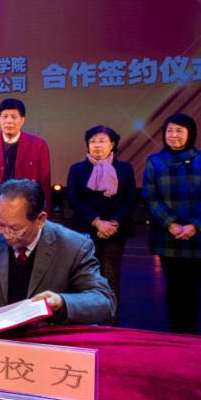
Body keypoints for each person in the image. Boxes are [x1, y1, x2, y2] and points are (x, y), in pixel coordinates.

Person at [0, 179, 115, 325]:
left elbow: (105, 302)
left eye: (15, 228)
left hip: (46, 341)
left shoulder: (74, 246)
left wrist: (61, 303)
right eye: (0, 223)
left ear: (40, 220)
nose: (6, 234)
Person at [142, 113, 201, 334]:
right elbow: (150, 196)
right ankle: (175, 335)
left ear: (190, 134)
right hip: (167, 234)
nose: (173, 135)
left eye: (179, 131)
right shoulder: (154, 161)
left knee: (192, 288)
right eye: (170, 130)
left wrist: (194, 225)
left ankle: (191, 335)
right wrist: (171, 224)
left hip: (198, 235)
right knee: (173, 288)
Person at [66, 125, 136, 324]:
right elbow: (73, 199)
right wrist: (96, 222)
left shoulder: (125, 169)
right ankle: (87, 323)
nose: (97, 145)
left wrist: (113, 223)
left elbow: (130, 199)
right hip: (85, 231)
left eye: (102, 141)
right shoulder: (77, 169)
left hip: (115, 231)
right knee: (86, 277)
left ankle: (110, 323)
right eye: (93, 141)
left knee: (111, 276)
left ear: (112, 144)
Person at [0, 98, 51, 228]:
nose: (9, 121)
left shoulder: (39, 145)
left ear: (22, 120)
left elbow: (44, 185)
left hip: (25, 211)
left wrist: (44, 213)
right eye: (5, 116)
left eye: (14, 117)